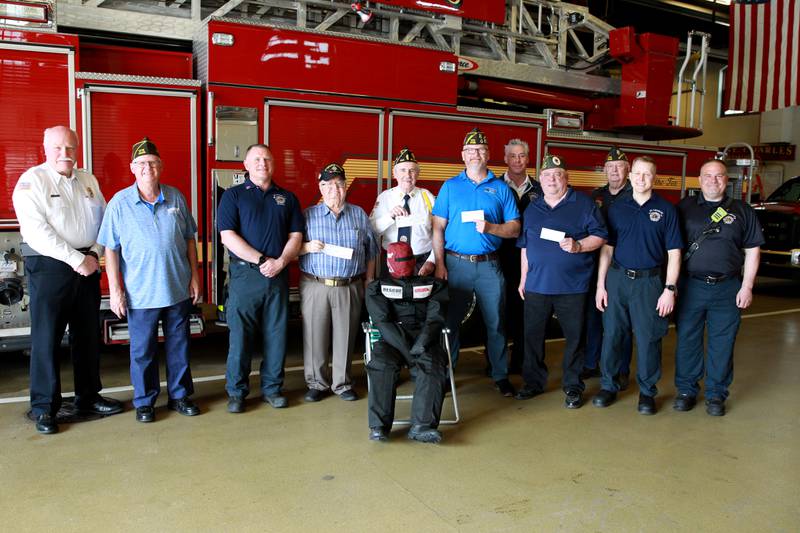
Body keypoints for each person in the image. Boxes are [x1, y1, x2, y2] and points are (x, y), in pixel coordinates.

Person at [12, 125, 122, 434]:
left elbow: (103, 221)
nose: (65, 154)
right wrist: (77, 260)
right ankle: (45, 407)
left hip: (87, 264)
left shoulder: (87, 179)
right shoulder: (32, 181)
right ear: (46, 149)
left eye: (70, 148)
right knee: (46, 338)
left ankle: (88, 397)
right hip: (51, 267)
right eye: (59, 148)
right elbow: (36, 231)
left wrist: (95, 254)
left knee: (86, 336)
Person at [98, 138, 201, 423]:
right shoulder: (119, 203)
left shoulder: (176, 197)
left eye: (153, 163)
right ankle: (145, 401)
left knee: (179, 347)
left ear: (161, 166)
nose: (147, 168)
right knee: (142, 351)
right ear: (132, 168)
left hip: (177, 289)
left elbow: (190, 239)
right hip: (140, 295)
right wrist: (116, 290)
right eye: (141, 164)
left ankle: (180, 396)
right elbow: (110, 249)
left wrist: (195, 276)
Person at [431, 127, 520, 397]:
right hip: (456, 264)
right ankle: (447, 373)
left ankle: (500, 375)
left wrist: (492, 228)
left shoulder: (501, 188)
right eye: (470, 150)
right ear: (462, 155)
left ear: (489, 154)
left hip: (489, 266)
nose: (475, 154)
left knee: (496, 323)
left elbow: (515, 228)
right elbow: (437, 228)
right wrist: (440, 264)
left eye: (480, 150)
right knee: (451, 323)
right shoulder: (450, 186)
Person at [592, 156, 683, 415]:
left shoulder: (667, 210)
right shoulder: (616, 208)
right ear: (630, 176)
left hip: (650, 283)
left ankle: (647, 392)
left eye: (647, 174)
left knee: (648, 339)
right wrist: (601, 285)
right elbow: (607, 251)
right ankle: (608, 386)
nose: (642, 179)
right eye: (638, 174)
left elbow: (674, 254)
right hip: (617, 279)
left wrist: (669, 289)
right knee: (612, 335)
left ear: (655, 178)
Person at [216, 144, 303, 413]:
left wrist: (281, 262)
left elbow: (296, 236)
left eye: (266, 158)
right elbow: (227, 236)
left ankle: (273, 389)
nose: (262, 163)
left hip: (278, 275)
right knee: (240, 337)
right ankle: (237, 393)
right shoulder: (233, 196)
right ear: (245, 163)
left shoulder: (287, 198)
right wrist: (262, 260)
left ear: (273, 163)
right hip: (245, 275)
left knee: (276, 336)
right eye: (256, 159)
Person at [515, 154, 607, 407]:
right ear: (540, 180)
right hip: (536, 285)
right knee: (532, 337)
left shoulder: (584, 204)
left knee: (575, 338)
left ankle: (573, 386)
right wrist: (523, 278)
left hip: (573, 287)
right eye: (546, 176)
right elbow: (525, 246)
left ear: (566, 178)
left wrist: (579, 245)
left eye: (557, 175)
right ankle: (533, 382)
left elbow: (600, 237)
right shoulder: (532, 208)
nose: (551, 180)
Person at [673, 159, 764, 416]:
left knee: (722, 343)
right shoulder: (684, 208)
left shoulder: (743, 210)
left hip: (728, 288)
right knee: (687, 340)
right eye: (708, 175)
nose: (713, 181)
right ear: (699, 179)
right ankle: (686, 390)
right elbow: (672, 249)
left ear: (727, 180)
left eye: (719, 176)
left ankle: (715, 395)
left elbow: (753, 251)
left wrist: (747, 287)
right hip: (691, 286)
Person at [299, 163, 378, 402]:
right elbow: (289, 250)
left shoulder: (359, 214)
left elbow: (372, 250)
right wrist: (306, 247)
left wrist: (370, 279)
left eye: (340, 184)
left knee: (346, 335)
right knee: (314, 335)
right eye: (329, 185)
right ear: (320, 188)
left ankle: (342, 383)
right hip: (316, 285)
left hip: (349, 285)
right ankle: (317, 383)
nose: (335, 189)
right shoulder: (307, 216)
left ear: (346, 187)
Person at [365, 241, 448, 443]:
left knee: (433, 365)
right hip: (392, 340)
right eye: (399, 260)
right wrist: (411, 352)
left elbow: (435, 318)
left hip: (424, 337)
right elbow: (383, 322)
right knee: (381, 365)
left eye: (406, 259)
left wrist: (422, 343)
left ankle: (422, 426)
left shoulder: (434, 285)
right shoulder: (376, 288)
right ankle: (379, 426)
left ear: (414, 260)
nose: (403, 264)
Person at [582, 146, 634, 388]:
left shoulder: (636, 196)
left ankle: (621, 369)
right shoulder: (596, 196)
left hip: (624, 266)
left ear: (627, 170)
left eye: (619, 166)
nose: (614, 170)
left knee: (621, 321)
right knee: (594, 316)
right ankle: (591, 363)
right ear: (605, 170)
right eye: (610, 167)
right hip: (597, 265)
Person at [498, 139, 542, 374]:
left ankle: (521, 360)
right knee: (498, 311)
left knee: (525, 311)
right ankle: (496, 362)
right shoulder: (493, 186)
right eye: (512, 156)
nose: (517, 160)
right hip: (498, 258)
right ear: (505, 159)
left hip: (531, 260)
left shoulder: (540, 189)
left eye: (522, 155)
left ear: (528, 159)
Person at [370, 148, 435, 276]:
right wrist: (390, 216)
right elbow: (372, 230)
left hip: (421, 263)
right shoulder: (385, 197)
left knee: (422, 297)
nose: (408, 175)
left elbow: (440, 232)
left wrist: (432, 261)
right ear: (394, 174)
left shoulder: (427, 197)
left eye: (412, 170)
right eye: (403, 170)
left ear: (417, 174)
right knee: (392, 297)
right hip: (392, 262)